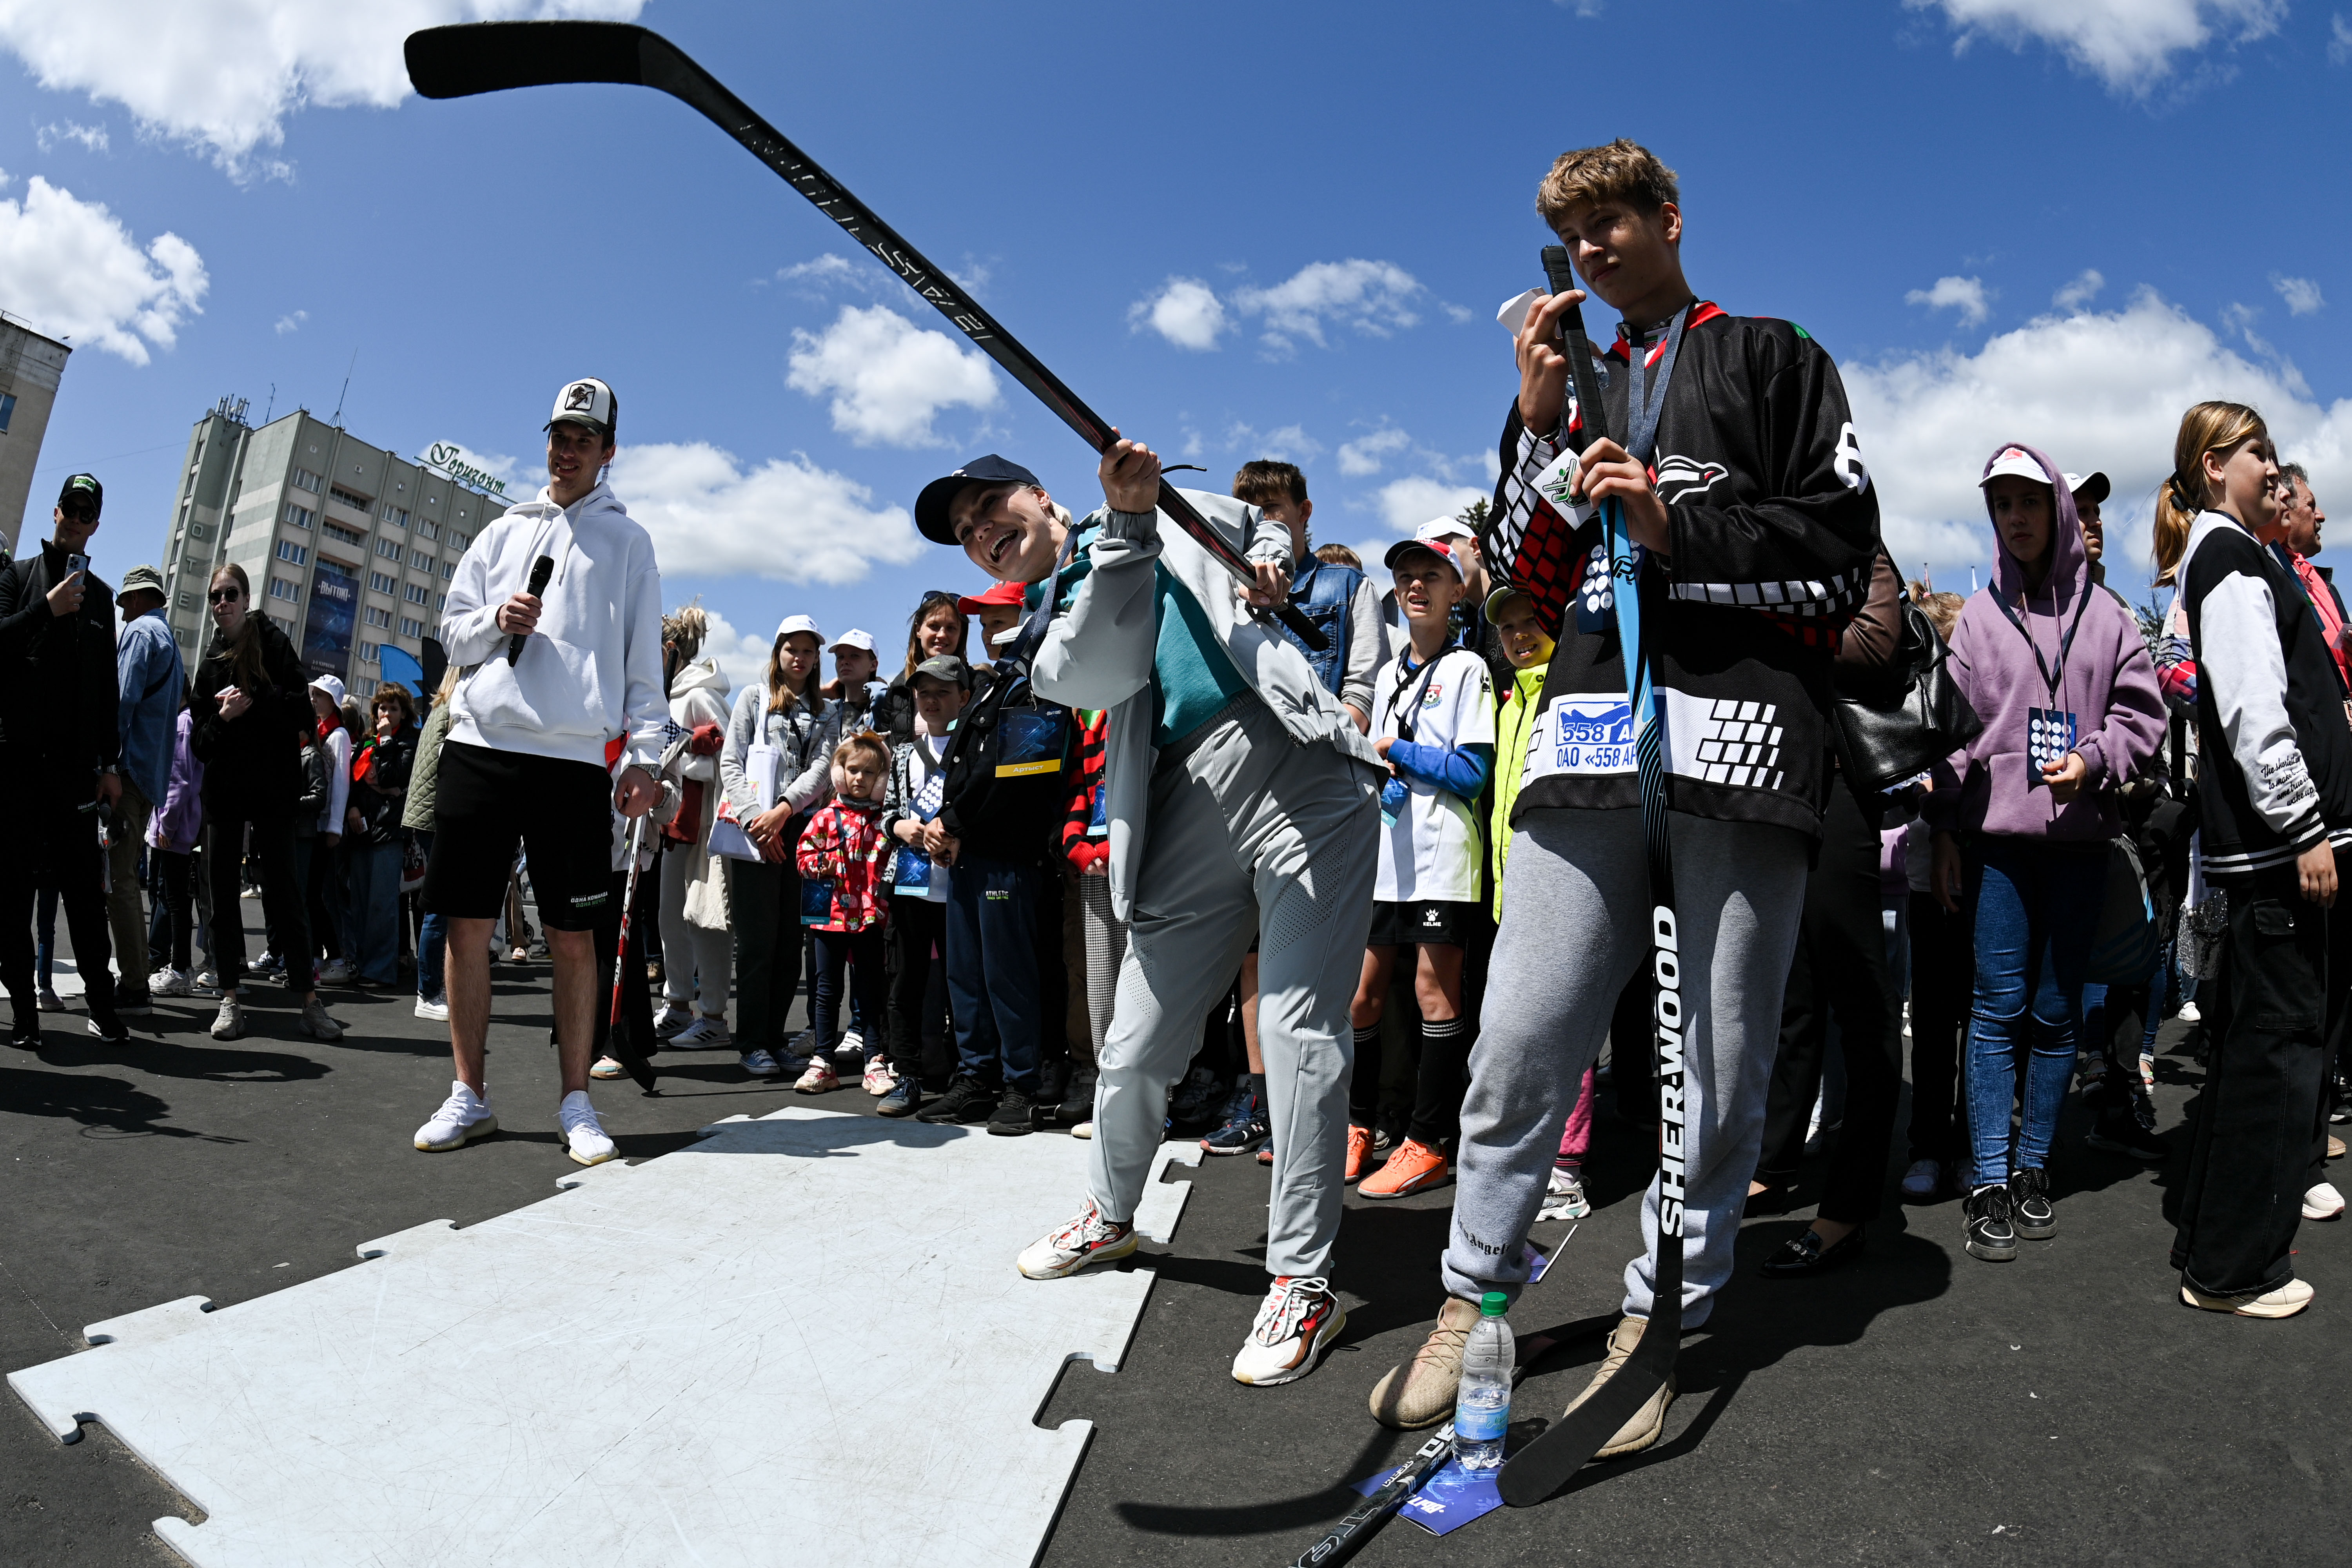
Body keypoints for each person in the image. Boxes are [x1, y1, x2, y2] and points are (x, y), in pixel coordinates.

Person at [1372, 140, 1880, 1453]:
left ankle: (1661, 1321)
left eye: (1614, 219)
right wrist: (1534, 423)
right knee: (1520, 1038)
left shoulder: (1774, 356)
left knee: (1718, 1068)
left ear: (1670, 218)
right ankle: (1470, 1301)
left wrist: (1673, 527)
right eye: (1574, 230)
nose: (1594, 247)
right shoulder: (1574, 383)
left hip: (1743, 751)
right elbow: (1527, 594)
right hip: (1588, 746)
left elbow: (1841, 565)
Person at [924, 445, 1381, 1388]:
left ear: (1040, 494)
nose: (982, 531)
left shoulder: (1164, 506)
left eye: (989, 505)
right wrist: (1130, 525)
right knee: (1132, 1043)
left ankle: (1302, 1279)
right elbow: (1092, 671)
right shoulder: (1047, 616)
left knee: (1298, 1031)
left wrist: (1271, 563)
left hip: (1298, 763)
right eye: (966, 532)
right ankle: (1110, 1214)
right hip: (1183, 800)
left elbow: (1258, 530)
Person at [411, 377, 666, 1168]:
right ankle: (470, 1094)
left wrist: (645, 757)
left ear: (609, 451)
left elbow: (644, 665)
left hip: (572, 759)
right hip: (481, 744)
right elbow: (452, 634)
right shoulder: (502, 532)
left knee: (572, 935)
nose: (568, 450)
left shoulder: (629, 543)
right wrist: (497, 619)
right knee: (467, 924)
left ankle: (576, 1100)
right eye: (559, 435)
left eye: (584, 439)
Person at [1927, 445, 2163, 1263]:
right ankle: (1989, 1177)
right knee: (1996, 1010)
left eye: (2029, 501)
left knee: (2058, 1015)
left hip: (2079, 846)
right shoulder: (1979, 618)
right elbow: (1950, 740)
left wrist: (2094, 759)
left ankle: (2033, 1166)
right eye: (2002, 504)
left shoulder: (2109, 616)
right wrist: (1944, 832)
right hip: (1997, 848)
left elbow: (2144, 718)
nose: (2016, 517)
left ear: (2057, 507)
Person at [2160, 402, 2350, 1316]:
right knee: (2276, 1056)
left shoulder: (2239, 553)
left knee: (2259, 1054)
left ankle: (2217, 1246)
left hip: (2273, 850)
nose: (2273, 467)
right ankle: (2236, 1269)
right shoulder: (2231, 558)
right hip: (2276, 854)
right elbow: (2252, 711)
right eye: (2256, 451)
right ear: (2212, 466)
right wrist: (2305, 827)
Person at [1201, 460, 1386, 1161]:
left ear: (1306, 512)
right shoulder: (1224, 584)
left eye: (1275, 509)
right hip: (1244, 796)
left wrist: (1330, 748)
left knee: (1314, 968)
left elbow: (1363, 686)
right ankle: (1262, 1103)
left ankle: (1320, 1116)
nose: (1263, 522)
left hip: (1321, 795)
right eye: (1251, 509)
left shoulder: (1346, 587)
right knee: (1252, 963)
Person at [1750, 553, 1909, 1276]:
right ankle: (1775, 1164)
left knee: (1863, 1000)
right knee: (1795, 998)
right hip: (1774, 780)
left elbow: (1876, 645)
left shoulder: (1856, 543)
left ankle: (1847, 1209)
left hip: (1840, 782)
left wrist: (1761, 621)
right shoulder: (1760, 539)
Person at [914, 512, 1078, 1138]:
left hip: (1008, 857)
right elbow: (965, 770)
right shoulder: (988, 688)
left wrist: (951, 821)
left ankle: (1021, 1085)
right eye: (981, 622)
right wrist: (945, 825)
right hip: (969, 855)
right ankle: (977, 1078)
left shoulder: (1039, 682)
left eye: (997, 617)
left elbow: (1016, 774)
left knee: (1009, 976)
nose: (986, 630)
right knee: (968, 975)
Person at [1348, 537, 1495, 1198]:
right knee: (1362, 996)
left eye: (1431, 575)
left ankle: (1429, 1141)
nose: (1415, 585)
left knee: (1435, 993)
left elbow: (1472, 773)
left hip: (1444, 855)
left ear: (1455, 591)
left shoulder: (1468, 668)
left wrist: (1399, 751)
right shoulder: (1386, 675)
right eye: (1405, 576)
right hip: (1389, 853)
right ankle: (1360, 1124)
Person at [186, 564, 344, 1044]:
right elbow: (199, 744)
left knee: (286, 892)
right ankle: (230, 998)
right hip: (225, 793)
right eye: (215, 596)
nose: (222, 603)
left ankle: (310, 1002)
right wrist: (224, 716)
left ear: (246, 598)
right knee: (222, 896)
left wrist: (258, 697)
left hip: (274, 790)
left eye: (231, 594)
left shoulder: (272, 642)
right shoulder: (210, 661)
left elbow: (302, 710)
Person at [0, 474, 132, 1045]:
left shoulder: (100, 597)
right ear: (55, 512)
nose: (76, 520)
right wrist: (46, 611)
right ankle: (25, 1015)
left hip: (76, 771)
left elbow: (107, 691)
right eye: (70, 509)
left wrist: (110, 765)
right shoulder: (19, 576)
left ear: (96, 524)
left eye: (86, 513)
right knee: (14, 894)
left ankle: (102, 1006)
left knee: (83, 894)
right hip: (17, 763)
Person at [1488, 583, 1592, 1220]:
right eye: (1508, 628)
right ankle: (1539, 1152)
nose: (1520, 635)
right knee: (1530, 1029)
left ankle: (1567, 1169)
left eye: (1532, 622)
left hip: (1562, 886)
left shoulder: (1574, 687)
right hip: (1513, 891)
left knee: (1566, 1030)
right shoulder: (1510, 700)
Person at [720, 612, 840, 1080]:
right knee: (757, 943)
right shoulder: (753, 699)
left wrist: (785, 811)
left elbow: (822, 768)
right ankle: (752, 1042)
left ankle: (774, 1038)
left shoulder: (828, 711)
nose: (800, 658)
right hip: (754, 829)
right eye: (793, 648)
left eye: (809, 651)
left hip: (800, 831)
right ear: (778, 652)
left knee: (791, 942)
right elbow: (731, 763)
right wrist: (758, 819)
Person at [1898, 588, 1973, 1202]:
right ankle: (1929, 1144)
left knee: (1980, 1020)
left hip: (1984, 872)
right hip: (1927, 881)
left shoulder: (1982, 694)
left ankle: (1970, 1144)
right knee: (1932, 1021)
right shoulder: (1913, 698)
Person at [877, 654, 968, 1117]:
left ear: (963, 697)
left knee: (963, 984)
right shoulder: (904, 754)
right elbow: (888, 812)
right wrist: (900, 828)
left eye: (942, 692)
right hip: (911, 884)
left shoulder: (973, 747)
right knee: (905, 984)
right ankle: (907, 1074)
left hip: (960, 885)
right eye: (924, 693)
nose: (932, 701)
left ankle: (967, 1073)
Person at [653, 604, 734, 1048]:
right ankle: (679, 1004)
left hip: (703, 826)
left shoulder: (698, 695)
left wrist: (684, 755)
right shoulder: (665, 695)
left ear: (670, 650)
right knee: (671, 918)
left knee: (706, 918)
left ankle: (714, 1017)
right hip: (674, 824)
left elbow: (729, 759)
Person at [794, 732, 893, 1094]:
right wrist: (820, 864)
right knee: (826, 989)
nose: (860, 778)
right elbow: (803, 855)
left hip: (870, 917)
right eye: (853, 770)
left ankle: (874, 1060)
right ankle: (823, 1061)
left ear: (881, 779)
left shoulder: (885, 821)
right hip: (830, 916)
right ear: (839, 773)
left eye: (869, 772)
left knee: (869, 990)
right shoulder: (824, 818)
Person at [109, 563, 185, 1014]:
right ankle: (135, 979)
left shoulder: (140, 633)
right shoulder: (170, 641)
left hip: (126, 774)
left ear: (138, 598)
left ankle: (135, 985)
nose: (122, 613)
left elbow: (121, 702)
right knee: (125, 883)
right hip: (149, 779)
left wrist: (105, 764)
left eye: (124, 603)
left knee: (117, 883)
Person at [345, 685, 416, 987]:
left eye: (394, 709)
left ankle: (380, 969)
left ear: (405, 714)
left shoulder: (408, 741)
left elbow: (392, 777)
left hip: (390, 829)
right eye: (382, 708)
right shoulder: (366, 741)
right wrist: (353, 807)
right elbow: (352, 780)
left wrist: (387, 741)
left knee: (382, 904)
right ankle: (361, 963)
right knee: (360, 901)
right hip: (362, 828)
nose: (386, 714)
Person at [403, 668, 457, 1022]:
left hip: (425, 816)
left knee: (439, 905)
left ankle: (433, 988)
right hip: (439, 818)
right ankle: (429, 991)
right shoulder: (454, 712)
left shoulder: (439, 710)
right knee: (440, 908)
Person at [305, 676, 354, 984]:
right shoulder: (320, 731)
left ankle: (336, 958)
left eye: (320, 696)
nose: (314, 700)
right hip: (316, 825)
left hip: (327, 828)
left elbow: (341, 783)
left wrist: (335, 826)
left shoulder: (338, 735)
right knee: (313, 894)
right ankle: (317, 956)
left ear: (333, 702)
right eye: (313, 694)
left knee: (317, 896)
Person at [873, 591, 969, 745]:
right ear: (918, 629)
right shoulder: (899, 689)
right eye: (934, 626)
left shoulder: (978, 684)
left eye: (951, 628)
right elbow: (887, 746)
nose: (942, 635)